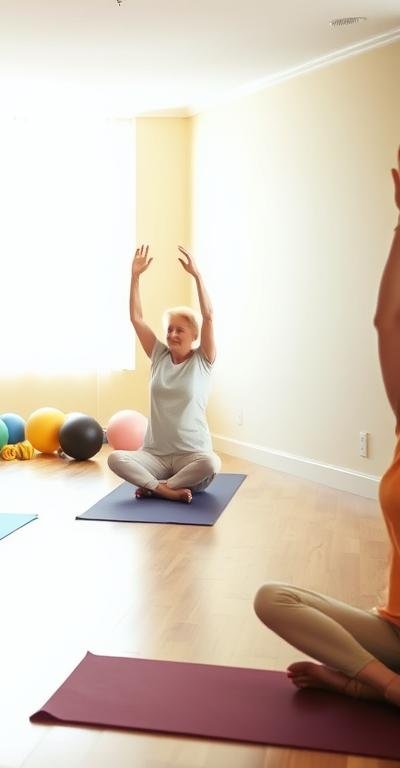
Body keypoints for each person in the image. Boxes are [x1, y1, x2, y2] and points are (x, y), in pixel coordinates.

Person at [254, 147, 400, 708]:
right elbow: (386, 322)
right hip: (395, 634)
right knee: (275, 597)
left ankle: (362, 684)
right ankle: (387, 687)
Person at [107, 244, 221, 503]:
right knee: (115, 458)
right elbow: (137, 318)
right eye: (169, 330)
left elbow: (209, 316)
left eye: (179, 330)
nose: (172, 334)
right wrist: (134, 276)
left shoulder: (202, 360)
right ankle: (164, 490)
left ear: (194, 335)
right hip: (155, 456)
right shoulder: (159, 355)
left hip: (192, 458)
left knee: (211, 463)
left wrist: (197, 276)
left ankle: (156, 487)